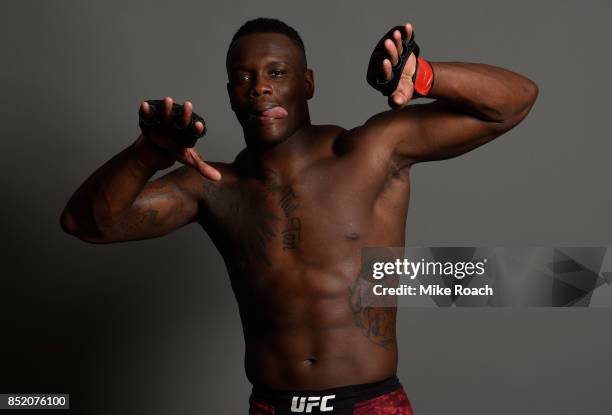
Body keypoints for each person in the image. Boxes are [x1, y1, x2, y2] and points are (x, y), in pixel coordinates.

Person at [60, 17, 538, 414]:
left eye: (277, 73)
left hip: (370, 403)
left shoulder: (370, 151)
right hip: (272, 406)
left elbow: (513, 102)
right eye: (243, 78)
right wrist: (147, 154)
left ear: (306, 82)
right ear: (230, 92)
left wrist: (427, 76)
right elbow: (86, 223)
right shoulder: (212, 188)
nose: (260, 89)